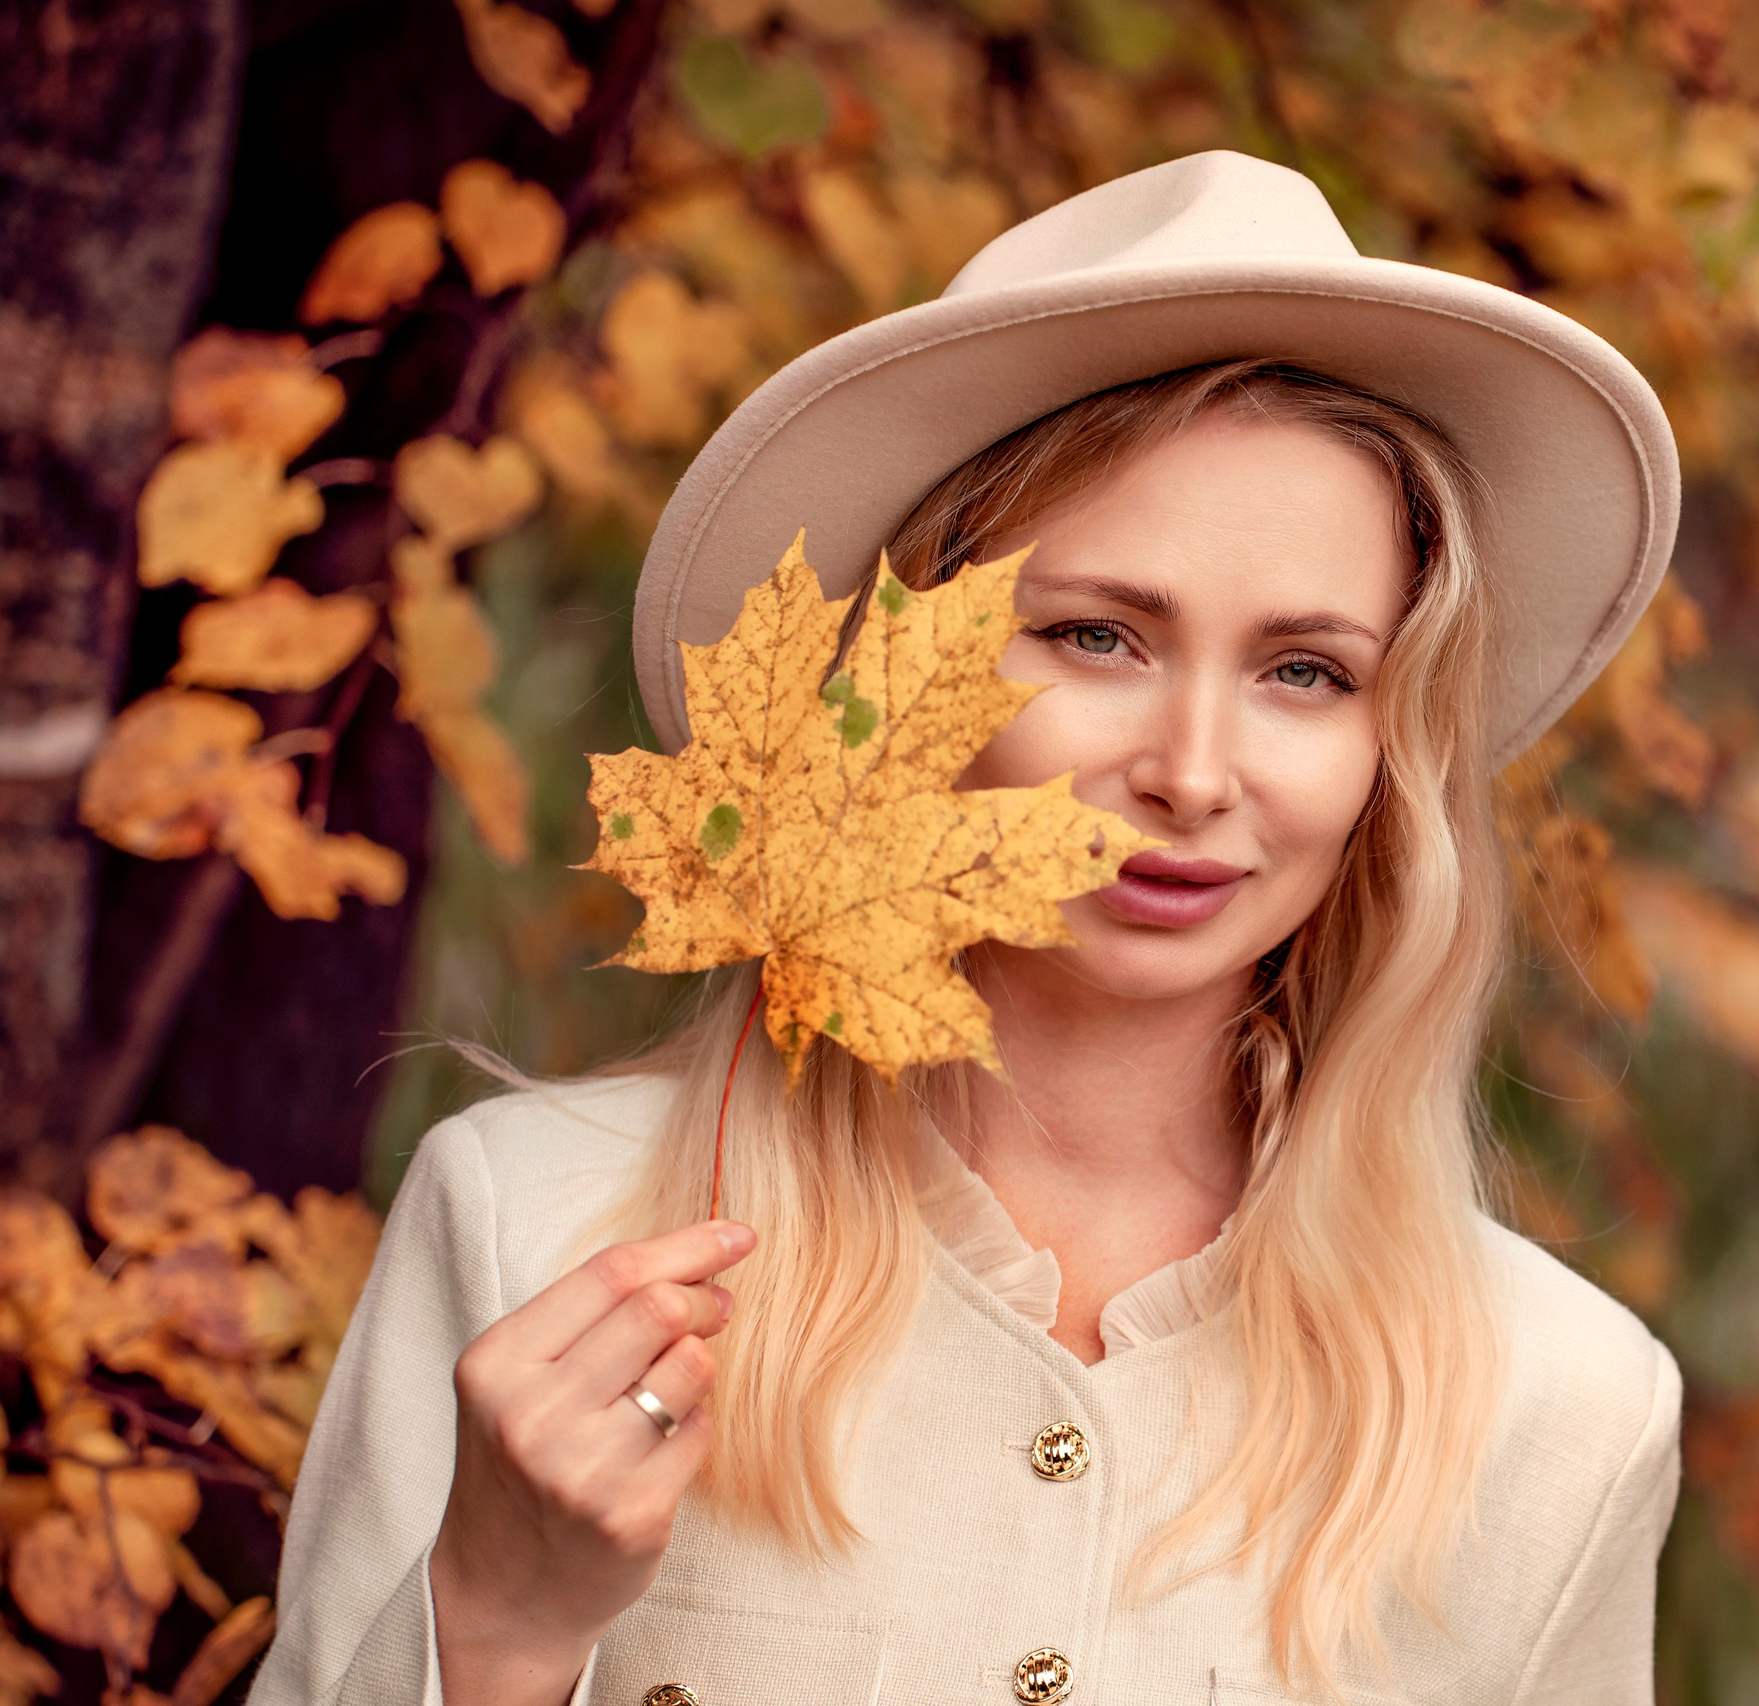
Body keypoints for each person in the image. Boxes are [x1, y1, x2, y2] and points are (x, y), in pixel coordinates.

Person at [250, 151, 1685, 1706]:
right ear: (888, 686)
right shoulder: (546, 1238)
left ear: (1384, 766)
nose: (1192, 774)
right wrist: (502, 1619)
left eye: (1306, 671)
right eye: (1096, 636)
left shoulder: (1556, 1409)